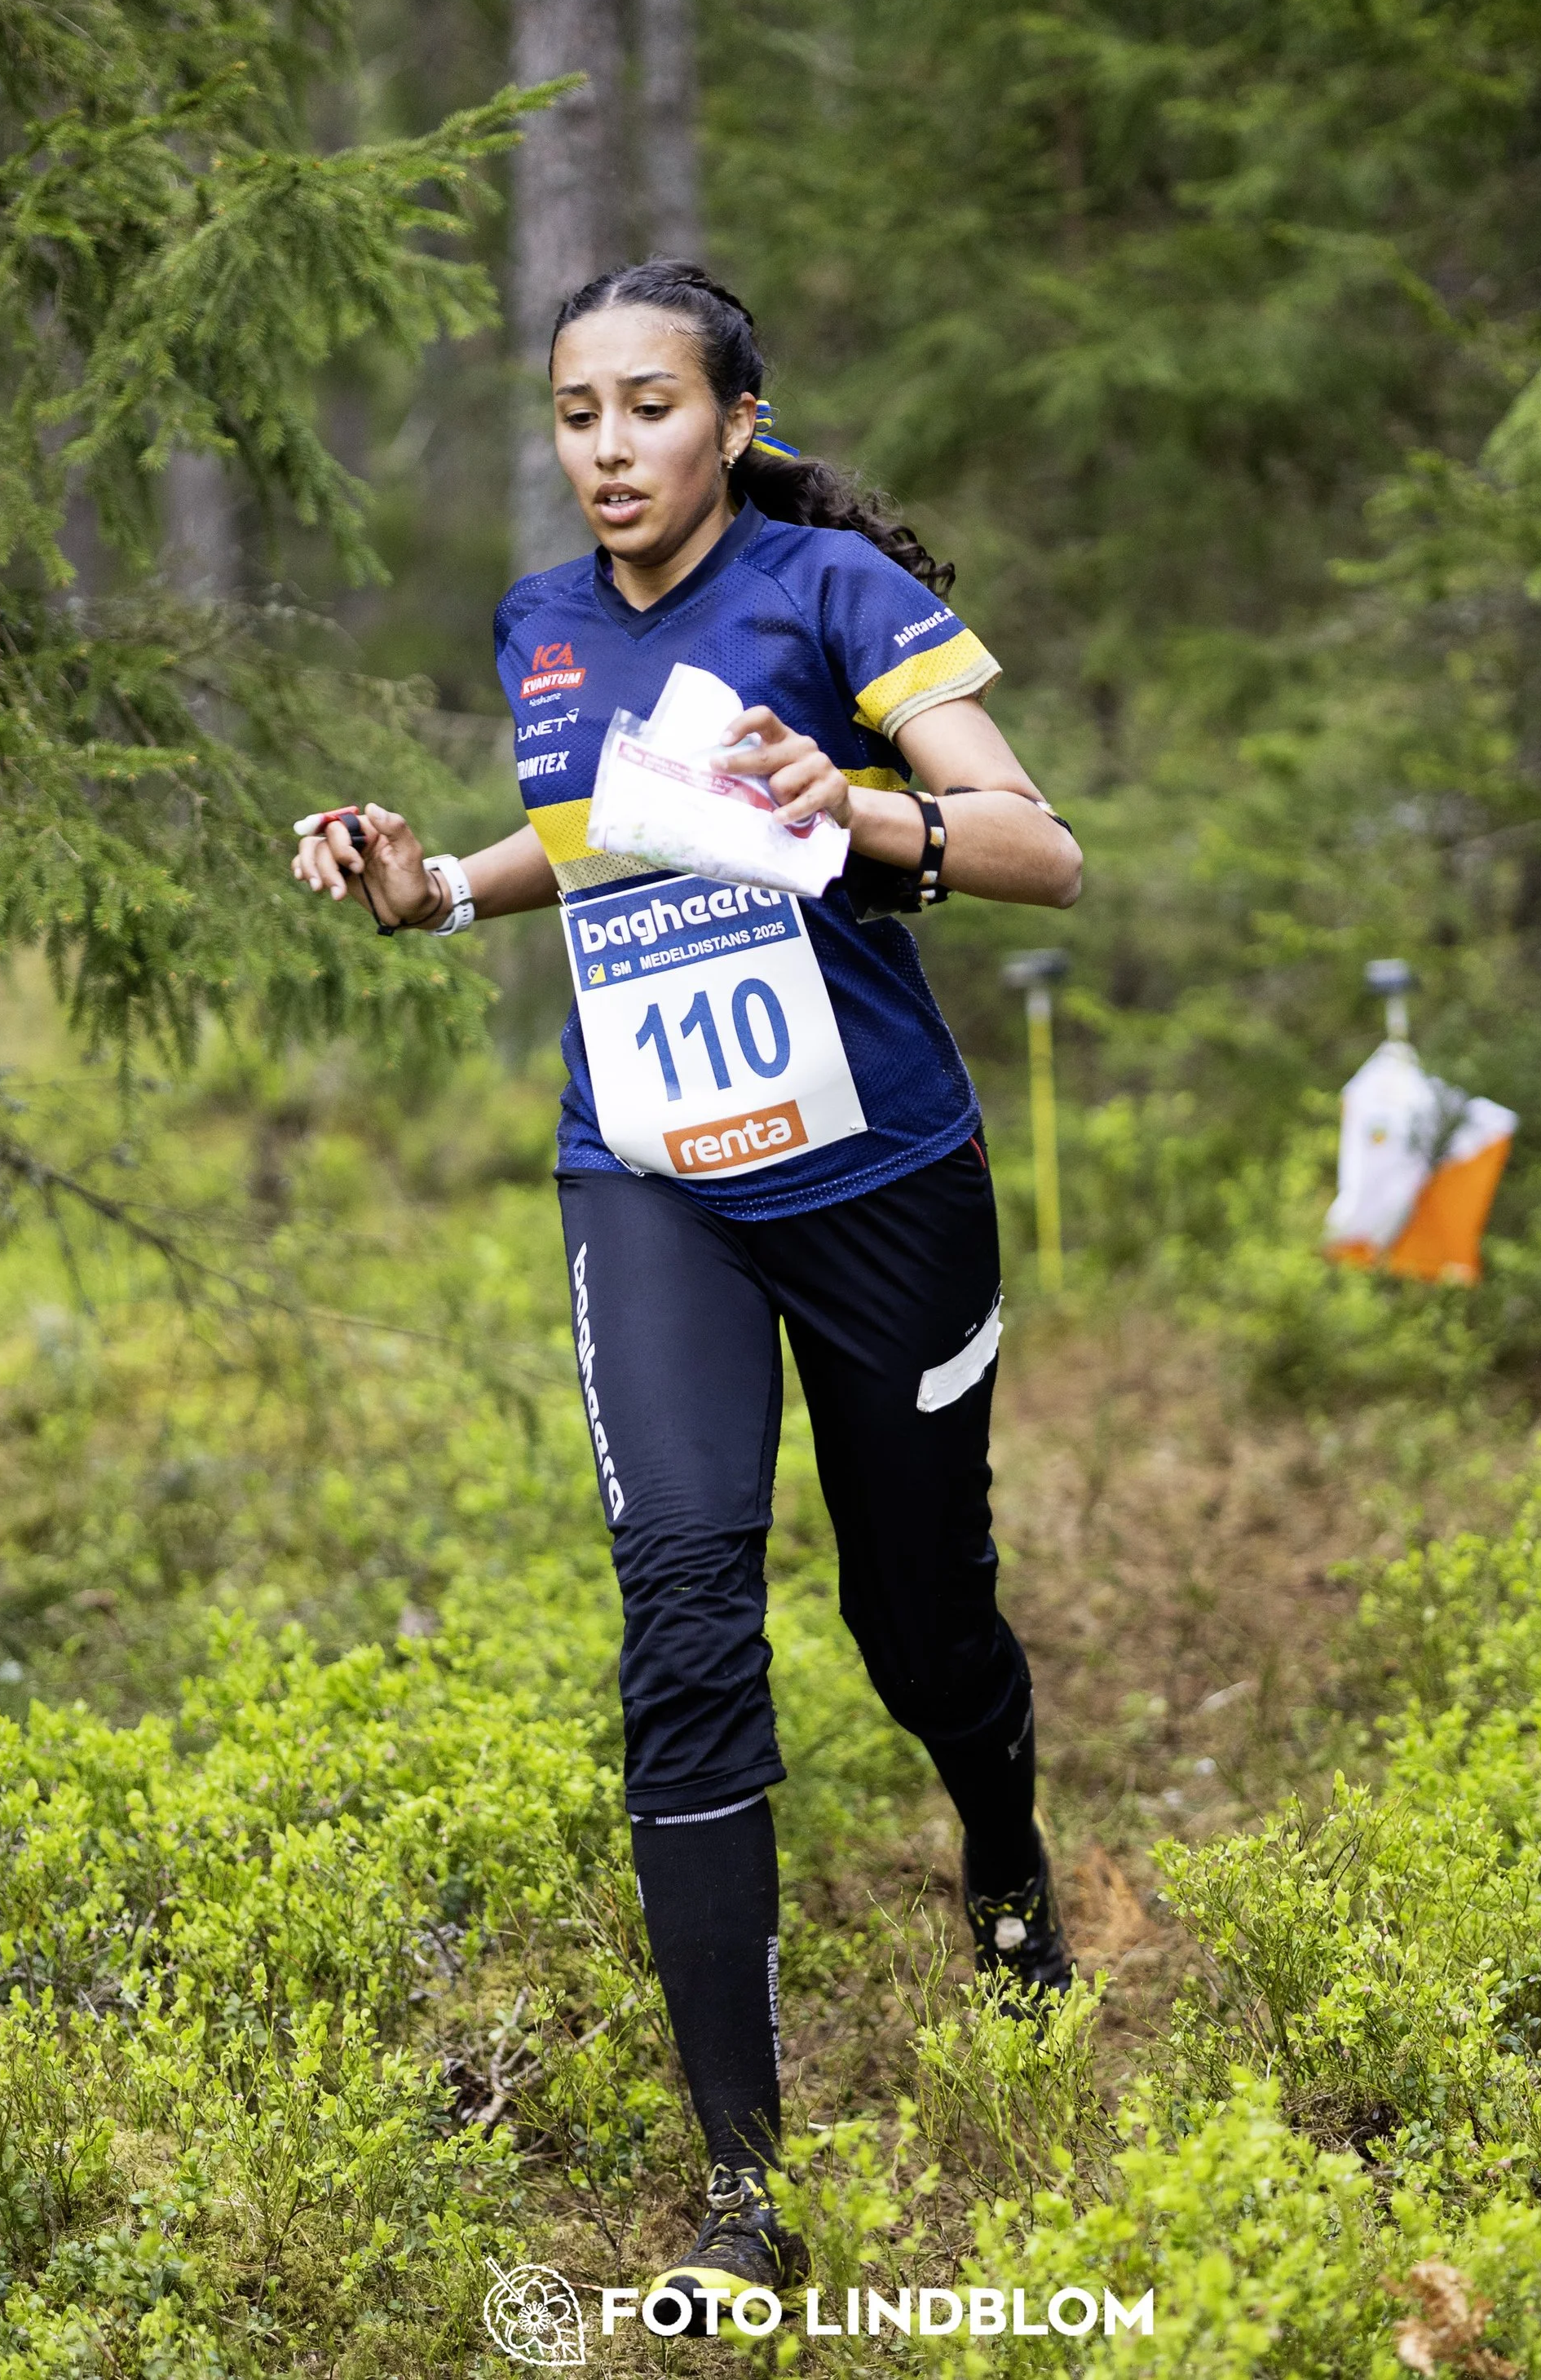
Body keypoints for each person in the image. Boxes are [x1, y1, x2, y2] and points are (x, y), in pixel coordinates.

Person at [289, 259, 1081, 2332]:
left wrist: (861, 809)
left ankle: (998, 1845)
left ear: (733, 419)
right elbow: (594, 835)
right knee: (681, 1596)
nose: (610, 448)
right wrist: (436, 885)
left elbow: (1037, 846)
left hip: (880, 1184)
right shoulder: (540, 625)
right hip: (650, 1181)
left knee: (915, 1624)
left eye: (649, 407)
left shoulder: (830, 598)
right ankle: (746, 2182)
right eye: (576, 414)